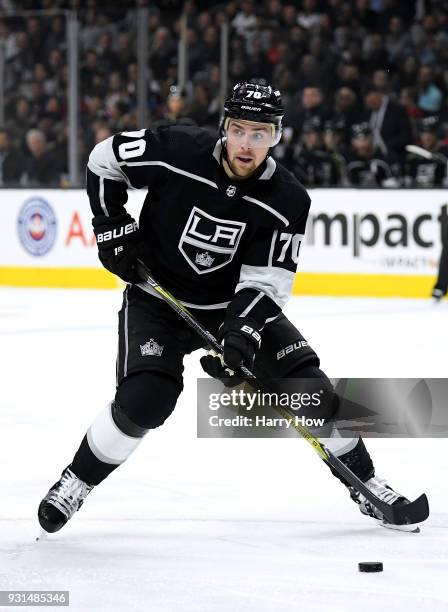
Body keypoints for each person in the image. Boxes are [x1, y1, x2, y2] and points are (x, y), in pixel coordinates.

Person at [38, 82, 421, 535]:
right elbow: (104, 159)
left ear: (277, 136)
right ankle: (76, 481)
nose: (246, 144)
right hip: (157, 297)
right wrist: (111, 226)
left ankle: (367, 482)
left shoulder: (288, 200)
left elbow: (267, 280)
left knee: (311, 391)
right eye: (239, 130)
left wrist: (241, 333)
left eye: (260, 134)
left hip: (227, 307)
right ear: (224, 128)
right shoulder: (177, 148)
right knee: (146, 399)